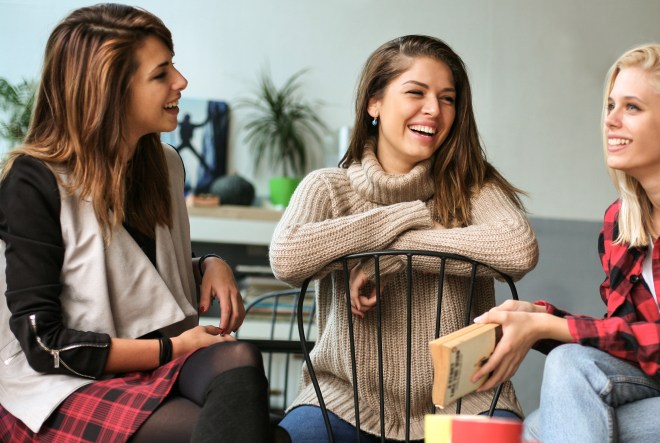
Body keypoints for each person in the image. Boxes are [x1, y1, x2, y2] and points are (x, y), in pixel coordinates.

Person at [0, 4, 272, 442]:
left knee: (239, 358)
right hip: (67, 379)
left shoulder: (163, 165)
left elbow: (136, 271)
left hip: (160, 356)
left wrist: (206, 265)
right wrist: (173, 348)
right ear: (110, 90)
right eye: (161, 72)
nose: (180, 82)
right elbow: (44, 345)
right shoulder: (34, 181)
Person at [474, 43, 660, 443]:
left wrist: (549, 326)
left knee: (546, 427)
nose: (610, 120)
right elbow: (633, 337)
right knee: (558, 388)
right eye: (610, 105)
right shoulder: (622, 220)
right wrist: (536, 318)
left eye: (632, 107)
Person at [270, 34, 539, 441]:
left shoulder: (474, 188)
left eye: (448, 98)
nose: (433, 109)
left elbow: (518, 249)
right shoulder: (327, 187)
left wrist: (389, 255)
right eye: (416, 92)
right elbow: (287, 258)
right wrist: (411, 214)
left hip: (465, 399)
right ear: (373, 103)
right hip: (343, 400)